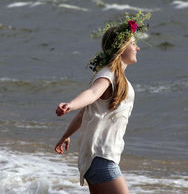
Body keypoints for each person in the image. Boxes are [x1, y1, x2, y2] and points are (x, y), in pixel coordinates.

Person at [55, 11, 150, 194]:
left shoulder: (116, 77)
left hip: (97, 159)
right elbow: (92, 93)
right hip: (101, 158)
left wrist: (65, 135)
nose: (137, 48)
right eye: (133, 43)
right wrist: (71, 104)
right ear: (122, 47)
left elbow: (86, 113)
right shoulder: (108, 74)